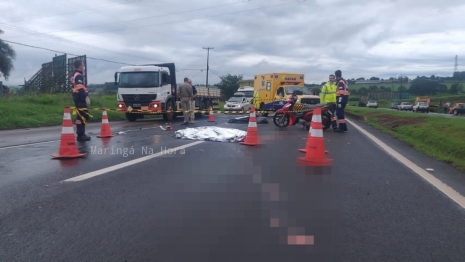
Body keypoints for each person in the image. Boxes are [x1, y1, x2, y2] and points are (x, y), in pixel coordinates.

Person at [71, 60, 92, 141]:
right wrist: (85, 97)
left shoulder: (74, 74)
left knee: (82, 116)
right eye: (82, 65)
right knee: (82, 116)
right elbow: (80, 88)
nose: (83, 66)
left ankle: (81, 134)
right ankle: (80, 134)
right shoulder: (78, 75)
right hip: (80, 98)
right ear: (79, 66)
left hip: (77, 97)